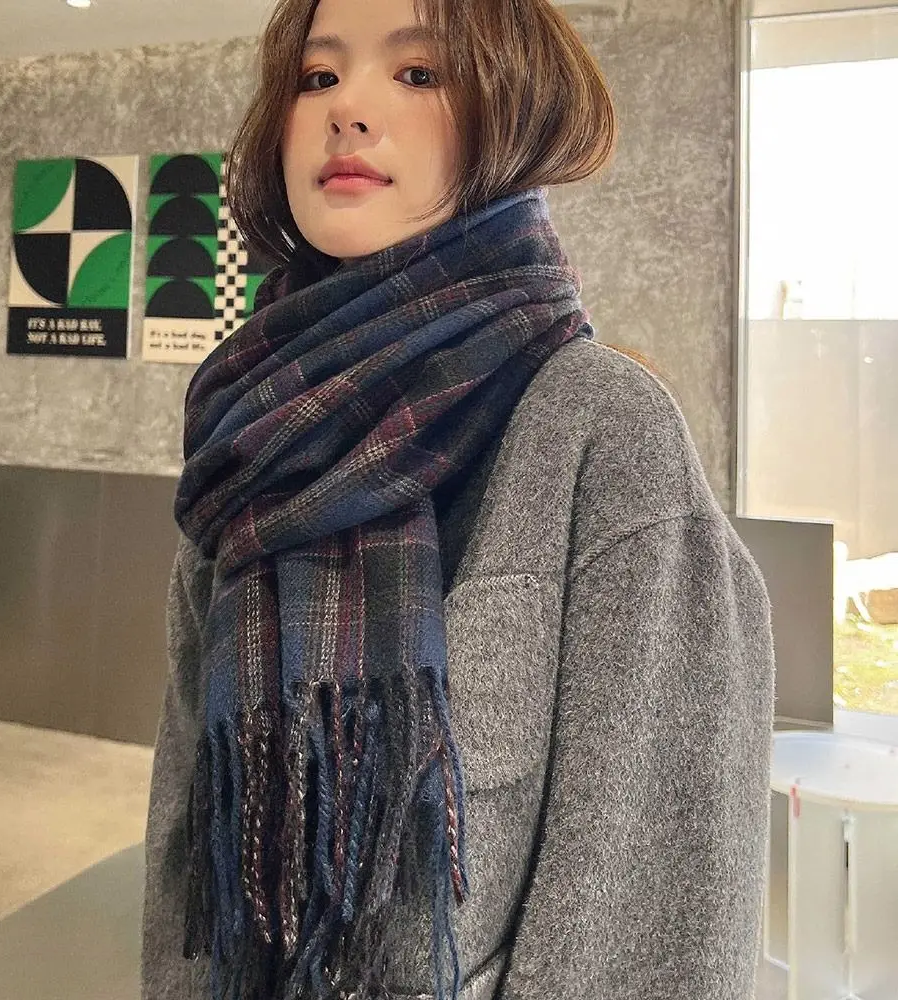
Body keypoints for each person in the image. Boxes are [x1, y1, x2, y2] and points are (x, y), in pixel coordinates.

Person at [141, 0, 776, 998]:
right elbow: (190, 862)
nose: (348, 109)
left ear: (511, 113)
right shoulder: (251, 438)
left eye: (418, 74)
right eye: (317, 77)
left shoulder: (597, 427)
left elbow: (652, 925)